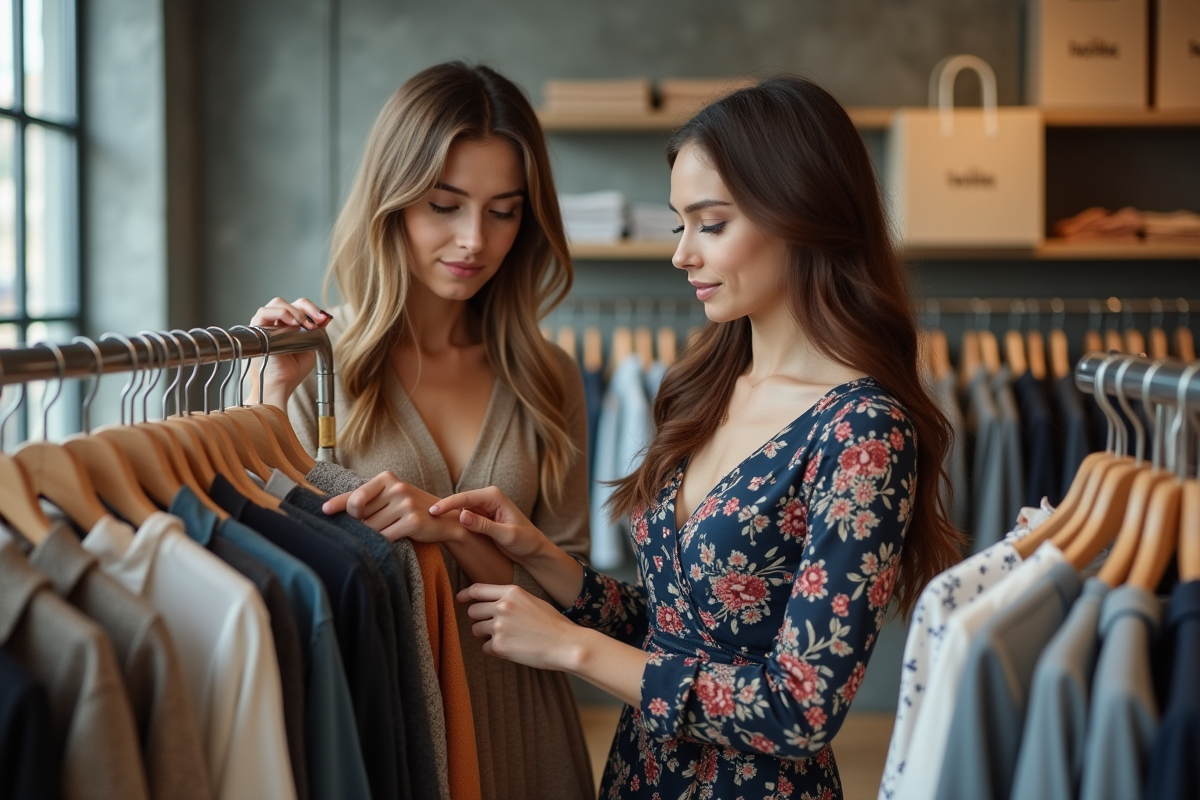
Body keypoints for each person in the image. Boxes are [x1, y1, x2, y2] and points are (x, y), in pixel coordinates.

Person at [433, 76, 964, 799]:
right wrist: (540, 556)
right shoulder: (707, 388)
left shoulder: (863, 430)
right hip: (639, 777)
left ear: (802, 213)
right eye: (678, 225)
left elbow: (801, 709)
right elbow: (674, 628)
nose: (682, 254)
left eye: (709, 224)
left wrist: (572, 648)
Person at [250, 62, 594, 799]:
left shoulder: (548, 376)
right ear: (393, 201)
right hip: (390, 726)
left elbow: (570, 592)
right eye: (445, 204)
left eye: (503, 211)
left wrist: (445, 531)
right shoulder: (318, 366)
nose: (474, 239)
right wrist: (267, 396)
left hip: (528, 727)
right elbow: (269, 554)